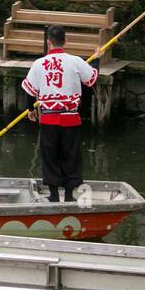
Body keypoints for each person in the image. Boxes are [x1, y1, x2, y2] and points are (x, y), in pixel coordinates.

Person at [21, 24, 99, 203]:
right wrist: (97, 59)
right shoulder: (76, 61)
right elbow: (92, 78)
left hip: (48, 118)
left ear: (49, 42)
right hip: (70, 118)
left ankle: (54, 196)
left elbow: (29, 91)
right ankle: (70, 196)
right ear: (65, 41)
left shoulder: (39, 64)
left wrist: (30, 110)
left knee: (50, 156)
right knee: (70, 155)